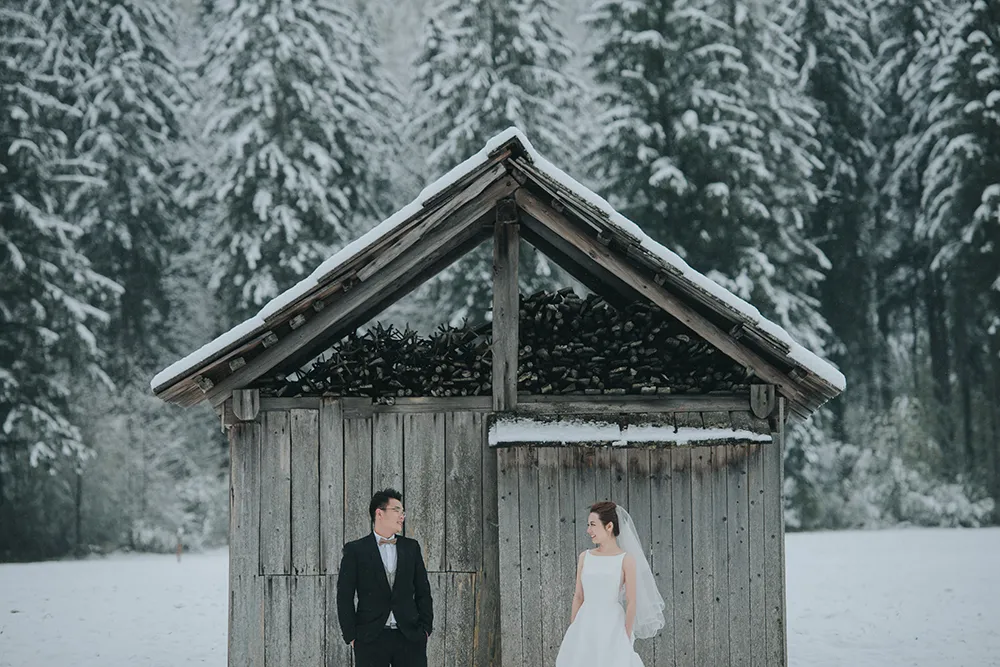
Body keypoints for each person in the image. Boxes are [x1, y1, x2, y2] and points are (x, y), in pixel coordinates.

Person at [555, 501, 666, 666]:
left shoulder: (626, 559)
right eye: (588, 525)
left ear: (609, 526)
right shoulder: (585, 557)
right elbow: (578, 596)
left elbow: (631, 601)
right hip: (585, 623)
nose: (588, 530)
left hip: (612, 624)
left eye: (593, 525)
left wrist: (626, 634)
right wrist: (573, 628)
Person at [337, 488, 434, 667]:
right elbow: (344, 596)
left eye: (403, 511)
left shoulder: (411, 548)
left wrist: (425, 630)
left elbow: (423, 591)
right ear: (379, 513)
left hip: (410, 636)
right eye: (396, 510)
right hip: (370, 638)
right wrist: (351, 636)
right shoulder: (356, 550)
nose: (402, 516)